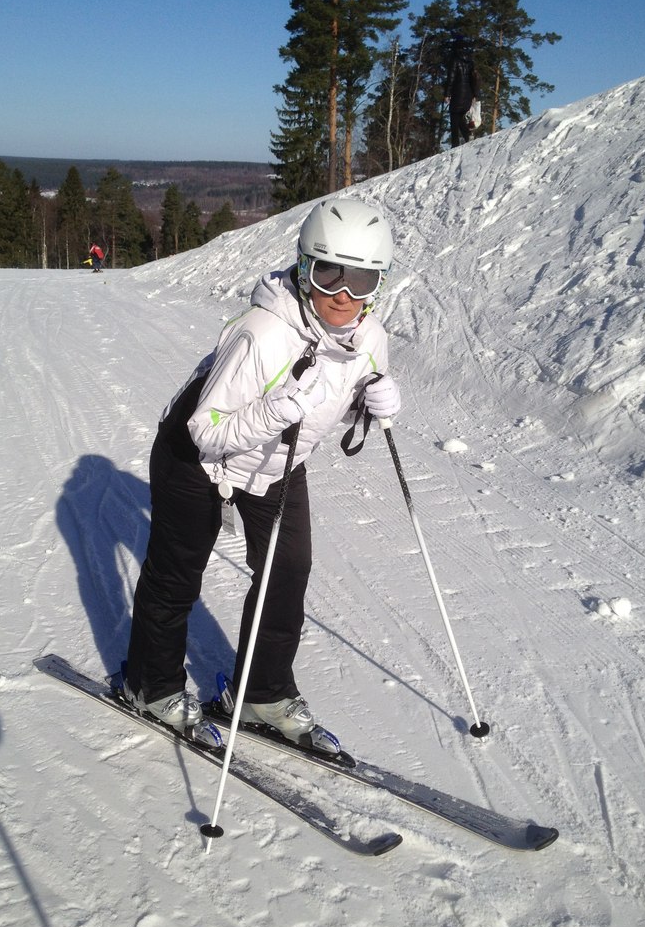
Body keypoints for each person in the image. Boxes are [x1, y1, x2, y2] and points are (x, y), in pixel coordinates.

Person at [123, 198, 402, 753]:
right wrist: (274, 411)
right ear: (304, 268)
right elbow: (207, 430)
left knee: (286, 570)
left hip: (277, 462)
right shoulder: (262, 333)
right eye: (329, 273)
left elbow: (329, 403)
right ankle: (150, 685)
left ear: (380, 283)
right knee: (177, 574)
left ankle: (261, 693)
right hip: (193, 458)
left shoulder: (369, 338)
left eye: (363, 280)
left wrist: (367, 404)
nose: (343, 295)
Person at [443, 37, 482, 148]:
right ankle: (468, 137)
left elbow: (451, 78)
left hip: (457, 93)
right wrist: (475, 94)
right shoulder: (470, 62)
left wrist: (447, 94)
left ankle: (455, 144)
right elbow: (474, 79)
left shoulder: (455, 60)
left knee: (454, 118)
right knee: (459, 117)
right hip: (468, 95)